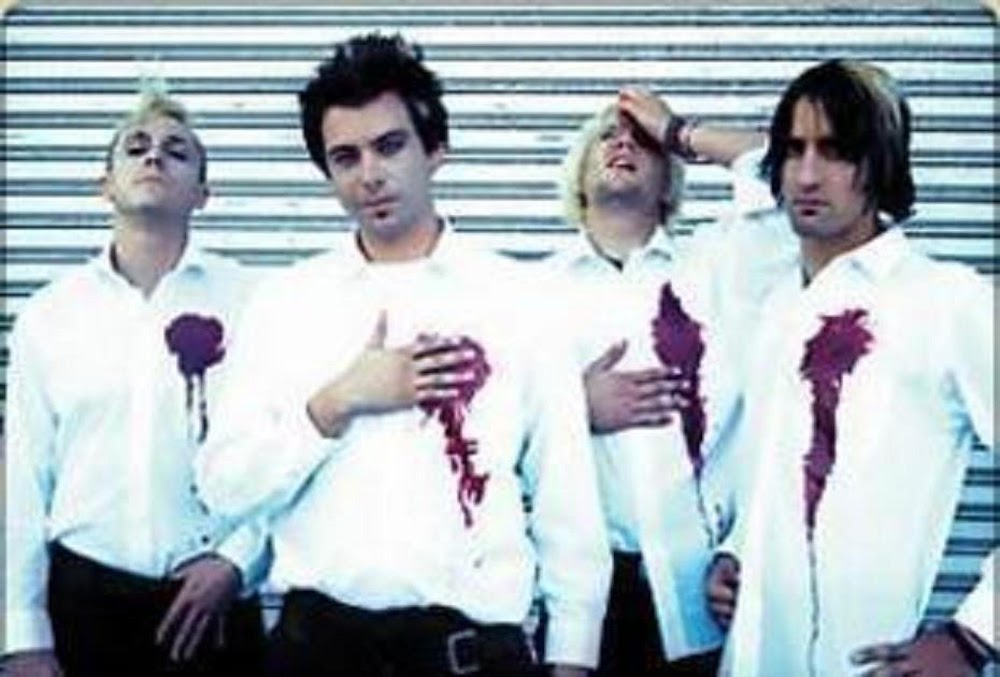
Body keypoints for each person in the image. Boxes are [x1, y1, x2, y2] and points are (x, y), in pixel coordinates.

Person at [193, 32, 611, 677]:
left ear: (435, 149)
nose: (370, 174)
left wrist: (573, 658)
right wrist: (336, 404)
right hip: (317, 651)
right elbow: (225, 486)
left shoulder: (519, 299)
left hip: (468, 653)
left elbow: (567, 499)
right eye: (345, 157)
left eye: (390, 146)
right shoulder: (286, 302)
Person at [701, 59, 997, 675]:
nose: (808, 175)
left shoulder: (946, 301)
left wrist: (976, 636)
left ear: (881, 163)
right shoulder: (777, 305)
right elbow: (776, 463)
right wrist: (736, 551)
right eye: (793, 151)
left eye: (835, 152)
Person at [3, 83, 268, 676]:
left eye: (177, 150)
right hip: (85, 606)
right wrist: (23, 635)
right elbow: (22, 479)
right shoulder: (50, 315)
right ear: (106, 185)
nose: (154, 156)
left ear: (203, 193)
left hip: (213, 608)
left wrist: (238, 561)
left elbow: (288, 453)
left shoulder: (255, 303)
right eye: (136, 147)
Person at [545, 89, 791, 676]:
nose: (623, 143)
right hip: (573, 606)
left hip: (701, 593)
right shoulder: (531, 295)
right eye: (607, 136)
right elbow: (490, 430)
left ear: (669, 183)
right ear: (579, 179)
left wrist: (679, 131)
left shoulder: (719, 267)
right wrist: (573, 408)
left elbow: (783, 178)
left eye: (643, 141)